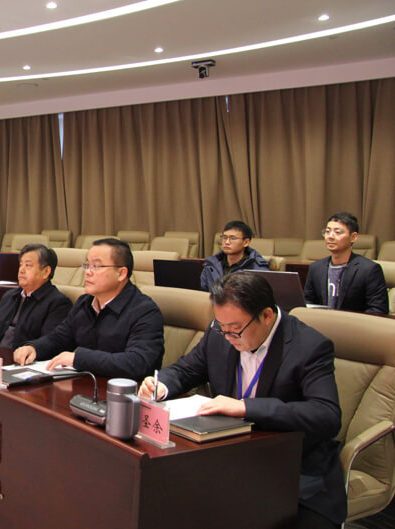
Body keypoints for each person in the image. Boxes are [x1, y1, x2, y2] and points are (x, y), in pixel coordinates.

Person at [139, 272, 346, 528]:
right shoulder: (220, 331)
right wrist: (161, 384)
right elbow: (187, 369)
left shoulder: (309, 347)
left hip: (293, 466)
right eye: (221, 327)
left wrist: (246, 407)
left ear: (267, 315)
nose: (227, 336)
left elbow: (326, 415)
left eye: (235, 330)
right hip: (229, 456)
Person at [13, 238, 164, 379]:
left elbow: (138, 362)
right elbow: (60, 338)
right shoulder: (85, 303)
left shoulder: (145, 311)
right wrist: (34, 348)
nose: (87, 272)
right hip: (86, 385)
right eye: (87, 265)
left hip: (124, 393)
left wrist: (79, 358)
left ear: (121, 273)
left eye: (96, 266)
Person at [0, 244, 72, 349]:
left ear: (46, 272)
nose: (21, 270)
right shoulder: (10, 296)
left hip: (23, 358)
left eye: (28, 265)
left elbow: (49, 343)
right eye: (20, 265)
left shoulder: (58, 303)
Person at [304, 212, 387, 314]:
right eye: (327, 231)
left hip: (354, 323)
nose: (330, 236)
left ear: (353, 237)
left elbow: (378, 310)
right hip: (321, 322)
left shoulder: (369, 269)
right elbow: (308, 302)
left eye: (338, 232)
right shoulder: (316, 268)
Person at [200, 220, 269, 291]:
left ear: (246, 242)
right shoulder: (211, 264)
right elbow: (201, 292)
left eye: (233, 238)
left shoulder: (258, 269)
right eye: (224, 237)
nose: (227, 242)